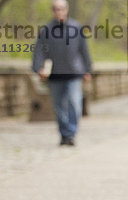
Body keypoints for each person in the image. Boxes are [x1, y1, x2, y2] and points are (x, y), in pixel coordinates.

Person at [32, 0, 92, 146]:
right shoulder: (46, 30)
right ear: (52, 11)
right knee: (59, 107)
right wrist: (39, 68)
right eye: (56, 9)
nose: (59, 11)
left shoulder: (76, 28)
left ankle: (70, 134)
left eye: (61, 9)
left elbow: (84, 51)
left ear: (67, 9)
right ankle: (64, 133)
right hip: (55, 75)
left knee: (74, 104)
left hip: (74, 74)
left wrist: (87, 70)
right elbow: (39, 51)